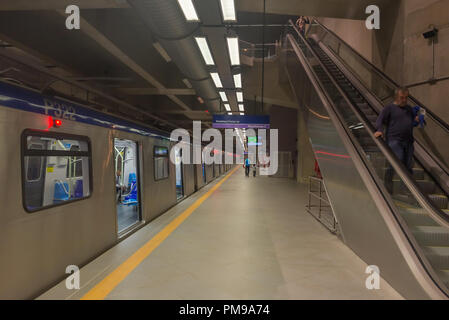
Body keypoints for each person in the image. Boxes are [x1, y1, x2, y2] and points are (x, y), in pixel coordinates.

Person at [374, 87, 420, 191]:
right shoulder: (389, 108)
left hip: (408, 141)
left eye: (406, 98)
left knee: (408, 166)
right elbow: (379, 121)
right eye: (401, 98)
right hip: (394, 140)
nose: (404, 100)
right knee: (397, 161)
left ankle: (409, 190)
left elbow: (412, 122)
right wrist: (379, 130)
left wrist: (416, 121)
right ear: (396, 97)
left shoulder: (409, 109)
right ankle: (388, 184)